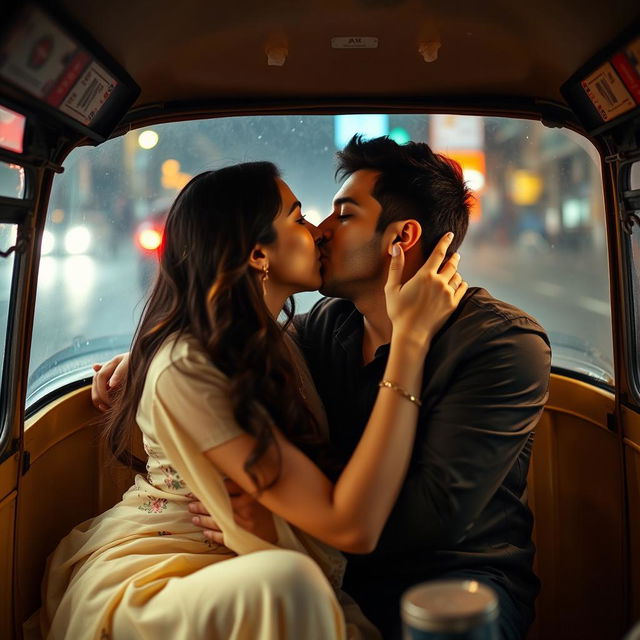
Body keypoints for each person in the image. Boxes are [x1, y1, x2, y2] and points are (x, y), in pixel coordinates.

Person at [94, 136, 551, 640]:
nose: (321, 231)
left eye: (343, 214)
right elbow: (221, 352)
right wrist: (139, 360)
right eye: (306, 217)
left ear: (401, 238)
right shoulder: (328, 324)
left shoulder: (501, 344)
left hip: (454, 572)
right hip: (323, 561)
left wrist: (276, 529)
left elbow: (430, 520)